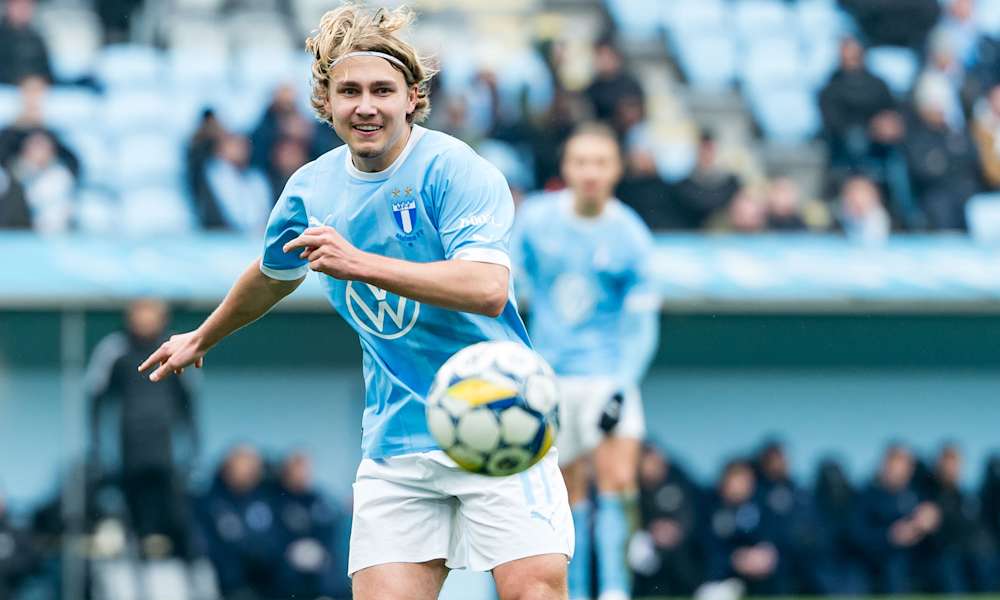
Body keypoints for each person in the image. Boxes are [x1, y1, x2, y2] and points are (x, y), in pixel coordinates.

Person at [138, 5, 573, 600]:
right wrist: (200, 337)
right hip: (398, 442)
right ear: (326, 102)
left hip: (500, 414)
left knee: (535, 593)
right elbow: (271, 275)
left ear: (413, 98)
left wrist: (359, 263)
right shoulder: (312, 188)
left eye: (381, 90)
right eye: (349, 91)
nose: (365, 105)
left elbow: (487, 288)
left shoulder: (456, 170)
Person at [513, 122, 659, 600]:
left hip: (607, 375)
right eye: (581, 162)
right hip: (551, 375)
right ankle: (571, 590)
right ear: (566, 168)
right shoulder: (536, 221)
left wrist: (623, 383)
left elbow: (642, 325)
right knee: (564, 496)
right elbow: (507, 291)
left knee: (617, 484)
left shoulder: (631, 236)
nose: (590, 172)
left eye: (600, 162)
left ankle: (616, 590)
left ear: (616, 169)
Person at [86, 298, 199, 560]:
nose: (145, 318)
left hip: (166, 452)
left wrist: (192, 448)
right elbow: (96, 400)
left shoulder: (177, 347)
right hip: (127, 452)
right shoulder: (114, 350)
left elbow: (190, 404)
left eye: (152, 312)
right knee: (129, 518)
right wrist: (99, 449)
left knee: (171, 520)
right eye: (140, 312)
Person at [853, 444, 941, 594]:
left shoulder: (918, 495)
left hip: (919, 561)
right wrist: (890, 536)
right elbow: (857, 536)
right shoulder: (867, 496)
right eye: (893, 465)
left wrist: (931, 522)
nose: (898, 471)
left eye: (904, 465)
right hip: (881, 562)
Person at [196, 445, 279, 599]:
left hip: (270, 584)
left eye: (252, 467)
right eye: (242, 466)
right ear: (226, 468)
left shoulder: (267, 498)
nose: (248, 472)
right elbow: (209, 546)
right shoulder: (209, 503)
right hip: (231, 586)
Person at [270, 452, 349, 599]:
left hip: (320, 574)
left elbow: (328, 530)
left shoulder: (317, 498)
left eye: (306, 468)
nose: (303, 473)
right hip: (284, 576)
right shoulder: (273, 499)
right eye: (299, 467)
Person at [703, 459, 787, 595]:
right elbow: (706, 548)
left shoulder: (763, 506)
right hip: (722, 577)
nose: (741, 487)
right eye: (736, 481)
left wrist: (764, 554)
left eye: (745, 481)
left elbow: (774, 539)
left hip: (761, 576)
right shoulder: (708, 507)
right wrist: (734, 559)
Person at [924, 444, 998, 593]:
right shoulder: (929, 496)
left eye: (955, 464)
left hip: (980, 556)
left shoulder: (967, 496)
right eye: (947, 464)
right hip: (949, 557)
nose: (951, 469)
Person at [630, 443, 701, 597]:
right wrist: (650, 530)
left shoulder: (679, 477)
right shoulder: (633, 486)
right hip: (648, 542)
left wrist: (677, 529)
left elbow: (692, 511)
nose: (650, 469)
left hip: (682, 543)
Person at [670, 132, 741, 229]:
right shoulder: (682, 186)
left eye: (710, 150)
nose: (706, 155)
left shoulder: (731, 183)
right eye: (703, 151)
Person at [0, 0, 52, 85]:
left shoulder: (36, 39)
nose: (23, 10)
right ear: (8, 6)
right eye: (19, 5)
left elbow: (46, 73)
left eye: (27, 6)